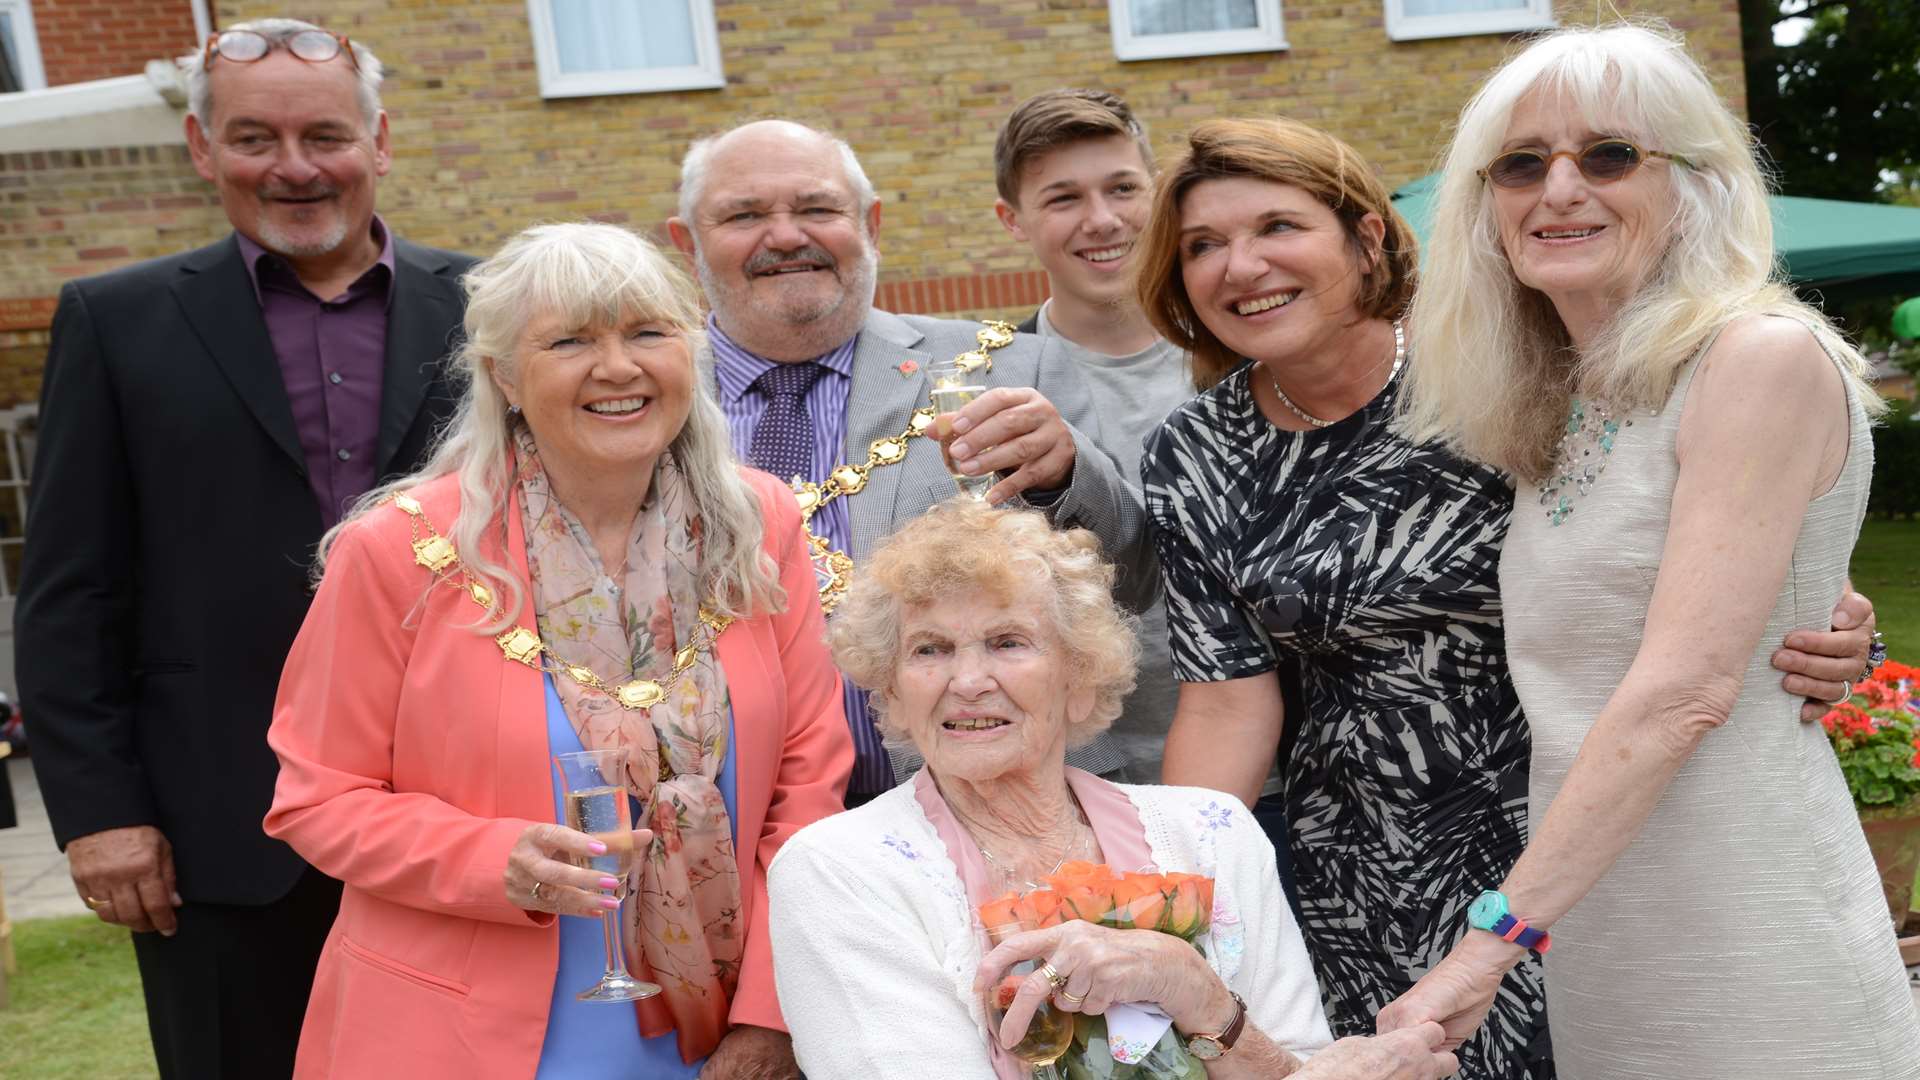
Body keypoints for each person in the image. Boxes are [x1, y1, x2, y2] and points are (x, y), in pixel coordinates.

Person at [1133, 118, 1880, 1079]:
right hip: (1363, 867)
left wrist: (1818, 604)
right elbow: (1230, 702)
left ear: (1366, 241)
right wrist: (1171, 902)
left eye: (1278, 226)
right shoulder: (1192, 456)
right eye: (1202, 246)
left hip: (1589, 817)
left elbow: (1681, 536)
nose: (1241, 266)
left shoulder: (1503, 381)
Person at [1378, 24, 1920, 1078]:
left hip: (1752, 918)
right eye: (1522, 164)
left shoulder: (1756, 356)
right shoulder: (1566, 401)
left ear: (1698, 185)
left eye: (1610, 155)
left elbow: (1682, 690)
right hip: (1607, 919)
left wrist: (1493, 943)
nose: (1561, 189)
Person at [262, 222, 850, 1078]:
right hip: (460, 1032)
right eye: (571, 341)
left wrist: (769, 1014)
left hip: (717, 1030)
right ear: (503, 376)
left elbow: (808, 786)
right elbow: (317, 798)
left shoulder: (759, 525)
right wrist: (487, 859)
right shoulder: (400, 550)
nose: (618, 368)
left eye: (648, 333)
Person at [15, 19, 475, 1077]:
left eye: (325, 134)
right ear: (201, 147)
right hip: (216, 826)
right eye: (255, 138)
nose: (296, 168)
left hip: (465, 815)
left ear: (381, 140)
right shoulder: (114, 321)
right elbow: (69, 592)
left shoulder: (492, 307)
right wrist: (100, 814)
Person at [767, 498, 1460, 1080]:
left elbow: (1297, 1060)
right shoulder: (839, 868)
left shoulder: (1213, 833)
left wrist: (1197, 993)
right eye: (930, 649)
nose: (968, 680)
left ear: (1080, 676)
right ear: (890, 686)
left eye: (1008, 641)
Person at [666, 118, 1153, 806]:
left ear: (871, 224)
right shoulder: (637, 395)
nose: (784, 236)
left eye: (816, 209)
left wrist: (1069, 477)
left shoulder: (1007, 365)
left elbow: (1134, 582)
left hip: (996, 803)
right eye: (744, 214)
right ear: (688, 243)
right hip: (728, 820)